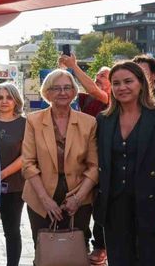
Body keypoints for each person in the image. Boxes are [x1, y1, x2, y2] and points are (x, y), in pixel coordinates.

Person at [94, 61, 155, 265]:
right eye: (116, 83)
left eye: (128, 81)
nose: (122, 87)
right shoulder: (103, 120)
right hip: (114, 207)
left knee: (151, 259)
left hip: (152, 205)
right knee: (119, 260)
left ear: (141, 83)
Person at [22, 69, 98, 249]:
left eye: (67, 87)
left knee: (75, 251)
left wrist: (78, 199)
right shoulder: (33, 120)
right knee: (45, 252)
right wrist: (45, 200)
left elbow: (94, 166)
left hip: (79, 196)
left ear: (74, 91)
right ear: (47, 92)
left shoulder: (89, 123)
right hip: (40, 197)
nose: (62, 92)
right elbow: (28, 164)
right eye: (56, 88)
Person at [59, 53, 110, 264]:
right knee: (82, 206)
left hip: (100, 159)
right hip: (79, 159)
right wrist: (63, 70)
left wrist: (75, 66)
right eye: (96, 77)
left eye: (101, 78)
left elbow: (92, 89)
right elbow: (70, 90)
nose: (97, 81)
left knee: (97, 204)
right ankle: (81, 242)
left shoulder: (110, 99)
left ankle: (100, 246)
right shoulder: (84, 99)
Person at [0, 83, 26, 266]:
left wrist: (1, 175)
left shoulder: (25, 123)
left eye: (9, 97)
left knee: (12, 231)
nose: (4, 101)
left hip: (14, 187)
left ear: (16, 99)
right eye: (0, 97)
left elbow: (26, 156)